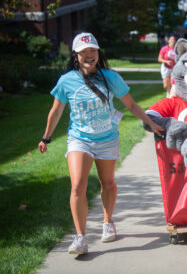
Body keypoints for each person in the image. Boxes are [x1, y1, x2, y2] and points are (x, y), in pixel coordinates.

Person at [38, 32, 164, 255]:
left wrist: (151, 124)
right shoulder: (67, 81)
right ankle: (80, 237)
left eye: (92, 51)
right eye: (84, 52)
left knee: (108, 183)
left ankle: (107, 222)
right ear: (76, 56)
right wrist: (46, 137)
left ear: (98, 53)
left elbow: (131, 105)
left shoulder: (111, 77)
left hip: (107, 139)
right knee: (77, 185)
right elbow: (56, 111)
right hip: (79, 139)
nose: (89, 55)